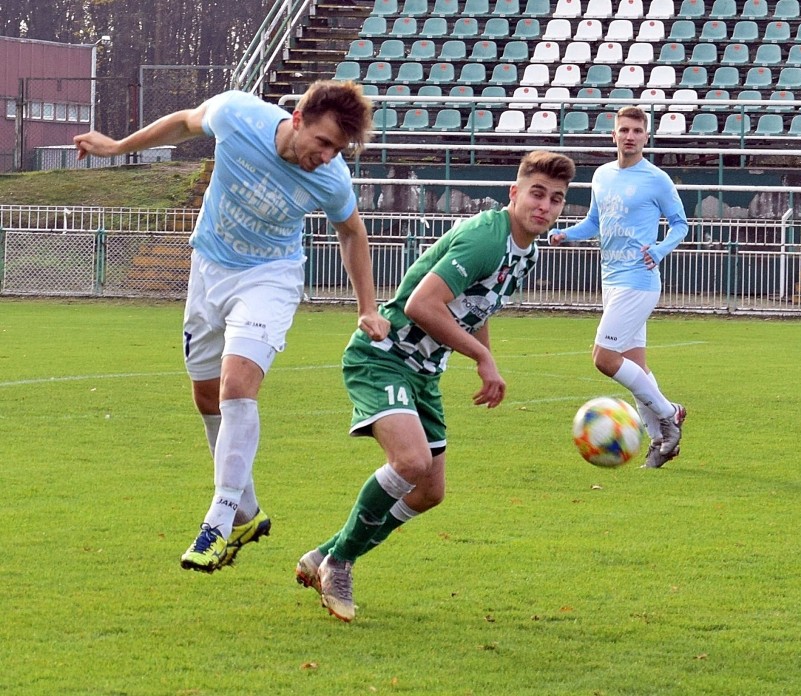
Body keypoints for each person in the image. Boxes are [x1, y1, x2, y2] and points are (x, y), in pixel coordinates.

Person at [74, 81, 390, 572]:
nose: (327, 157)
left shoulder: (332, 180)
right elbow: (182, 123)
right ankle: (245, 511)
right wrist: (117, 148)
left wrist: (366, 307)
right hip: (208, 268)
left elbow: (352, 231)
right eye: (323, 143)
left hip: (269, 277)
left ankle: (218, 523)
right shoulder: (238, 115)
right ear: (300, 116)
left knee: (237, 385)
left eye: (338, 150)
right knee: (206, 397)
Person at [295, 150, 576, 622]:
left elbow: (474, 308)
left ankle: (324, 553)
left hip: (423, 373)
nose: (545, 206)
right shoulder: (487, 237)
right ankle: (340, 564)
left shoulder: (524, 250)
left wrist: (483, 358)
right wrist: (481, 357)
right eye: (537, 193)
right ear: (514, 192)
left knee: (428, 492)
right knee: (409, 462)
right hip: (383, 356)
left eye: (556, 199)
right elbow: (424, 304)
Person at [549, 105, 689, 469]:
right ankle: (660, 442)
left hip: (638, 282)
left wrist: (658, 250)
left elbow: (680, 225)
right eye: (624, 129)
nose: (630, 136)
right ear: (614, 134)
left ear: (646, 136)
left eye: (637, 131)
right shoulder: (601, 175)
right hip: (611, 279)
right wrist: (566, 235)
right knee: (635, 366)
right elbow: (593, 222)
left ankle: (669, 413)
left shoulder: (656, 178)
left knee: (604, 358)